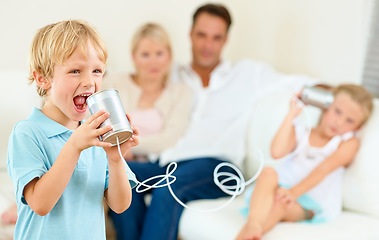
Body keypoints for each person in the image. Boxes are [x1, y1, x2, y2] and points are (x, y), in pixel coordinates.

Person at [111, 3, 315, 240]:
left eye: (216, 38)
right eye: (201, 35)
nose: (208, 45)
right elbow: (136, 89)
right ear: (190, 34)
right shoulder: (171, 74)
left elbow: (303, 83)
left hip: (219, 166)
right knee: (124, 175)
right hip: (171, 162)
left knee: (168, 188)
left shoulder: (248, 73)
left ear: (226, 40)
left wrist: (342, 98)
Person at [7, 20, 139, 240]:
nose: (89, 81)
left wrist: (115, 159)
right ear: (43, 78)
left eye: (97, 71)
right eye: (75, 71)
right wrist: (75, 146)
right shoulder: (27, 133)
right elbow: (40, 204)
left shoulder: (98, 133)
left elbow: (120, 205)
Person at [235, 84, 373, 240]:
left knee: (279, 203)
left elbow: (323, 170)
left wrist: (293, 193)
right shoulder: (301, 131)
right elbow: (276, 152)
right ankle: (255, 226)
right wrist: (291, 115)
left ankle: (251, 232)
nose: (339, 122)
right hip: (280, 190)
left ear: (357, 127)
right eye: (337, 112)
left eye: (349, 121)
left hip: (308, 203)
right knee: (268, 173)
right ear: (325, 106)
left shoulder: (347, 143)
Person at [103, 23, 192, 162]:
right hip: (111, 161)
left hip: (155, 166)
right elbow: (99, 126)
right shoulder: (113, 83)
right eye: (145, 55)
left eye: (159, 54)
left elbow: (169, 139)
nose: (153, 62)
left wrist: (127, 147)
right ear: (134, 56)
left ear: (169, 55)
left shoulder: (181, 92)